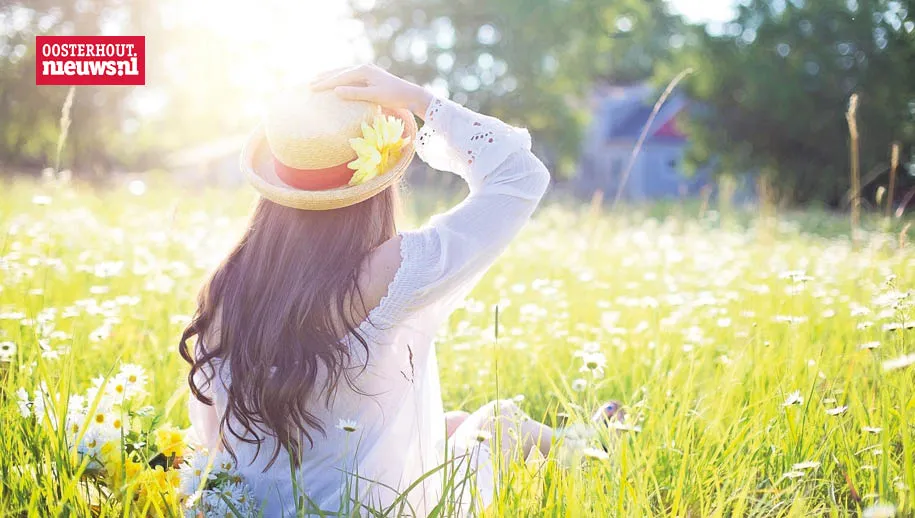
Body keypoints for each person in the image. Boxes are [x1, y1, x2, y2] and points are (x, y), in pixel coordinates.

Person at [179, 64, 610, 517]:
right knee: (499, 424)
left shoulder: (226, 284)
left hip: (250, 508)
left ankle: (586, 438)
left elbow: (214, 439)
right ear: (377, 182)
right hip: (370, 510)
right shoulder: (388, 271)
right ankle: (593, 445)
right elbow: (520, 176)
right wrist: (420, 101)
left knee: (453, 426)